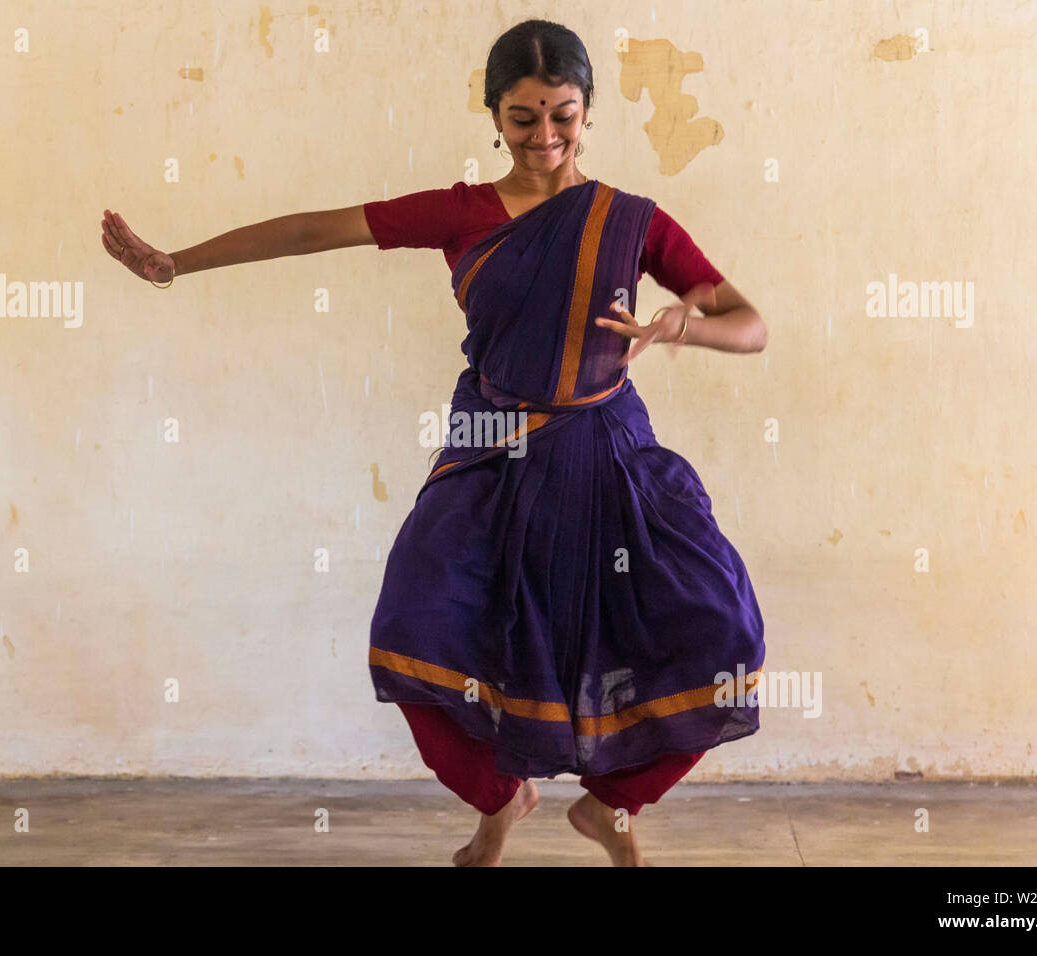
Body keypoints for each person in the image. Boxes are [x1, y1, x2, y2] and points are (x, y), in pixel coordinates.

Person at [101, 17, 766, 868]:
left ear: (589, 111)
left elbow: (749, 325)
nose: (545, 137)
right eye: (524, 118)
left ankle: (612, 810)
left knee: (721, 643)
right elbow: (315, 230)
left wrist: (682, 325)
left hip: (609, 455)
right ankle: (504, 800)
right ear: (493, 114)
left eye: (563, 115)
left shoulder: (632, 222)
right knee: (414, 628)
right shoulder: (464, 213)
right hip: (490, 447)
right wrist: (176, 263)